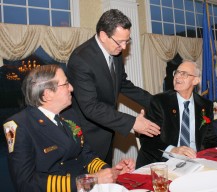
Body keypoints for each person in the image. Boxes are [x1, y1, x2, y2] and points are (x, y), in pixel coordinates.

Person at [3, 65, 135, 191]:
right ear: (47, 94)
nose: (71, 88)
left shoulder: (69, 114)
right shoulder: (19, 125)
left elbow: (85, 154)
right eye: (66, 84)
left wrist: (110, 172)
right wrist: (90, 179)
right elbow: (27, 184)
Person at [67, 9, 160, 164]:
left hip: (108, 132)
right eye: (120, 42)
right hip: (87, 137)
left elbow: (122, 84)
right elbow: (90, 107)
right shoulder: (81, 59)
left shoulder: (114, 51)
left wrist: (157, 103)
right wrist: (132, 122)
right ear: (103, 36)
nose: (124, 47)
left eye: (127, 41)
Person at [136, 61, 217, 168]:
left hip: (195, 161)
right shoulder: (160, 102)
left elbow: (210, 139)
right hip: (163, 163)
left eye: (184, 74)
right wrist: (173, 150)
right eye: (177, 72)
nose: (177, 77)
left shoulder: (206, 105)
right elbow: (148, 141)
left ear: (195, 80)